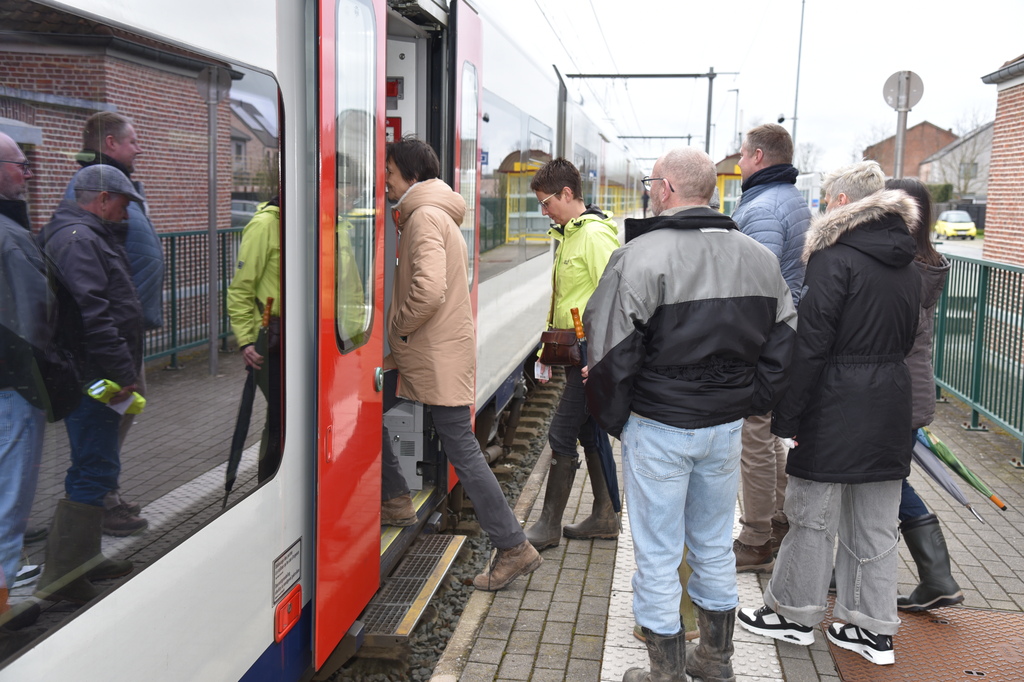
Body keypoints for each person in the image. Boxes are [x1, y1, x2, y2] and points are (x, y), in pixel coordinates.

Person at [584, 147, 797, 681]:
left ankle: (665, 673)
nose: (650, 189)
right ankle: (716, 662)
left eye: (653, 181)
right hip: (724, 428)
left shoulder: (640, 256)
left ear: (668, 189)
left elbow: (608, 352)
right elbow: (787, 338)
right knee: (710, 544)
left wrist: (618, 419)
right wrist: (749, 403)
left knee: (657, 552)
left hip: (659, 425)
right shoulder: (759, 257)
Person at [738, 161, 921, 667]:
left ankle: (794, 615)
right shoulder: (908, 262)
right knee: (877, 523)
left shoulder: (832, 259)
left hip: (835, 403)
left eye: (824, 198)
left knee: (811, 516)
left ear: (841, 203)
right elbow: (907, 340)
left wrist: (788, 418)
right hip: (889, 403)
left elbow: (811, 345)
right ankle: (873, 630)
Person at [382, 137, 541, 590]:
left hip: (432, 352)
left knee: (464, 451)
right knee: (371, 406)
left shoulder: (423, 217)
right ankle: (395, 499)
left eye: (390, 172)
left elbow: (428, 289)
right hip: (433, 351)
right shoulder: (430, 213)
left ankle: (513, 547)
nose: (385, 181)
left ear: (410, 175)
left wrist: (399, 327)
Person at [35, 164, 147, 605]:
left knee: (94, 462)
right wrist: (121, 376)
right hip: (94, 376)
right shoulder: (80, 240)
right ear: (101, 199)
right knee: (94, 465)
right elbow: (93, 315)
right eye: (122, 205)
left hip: (92, 371)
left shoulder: (83, 235)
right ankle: (62, 578)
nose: (126, 214)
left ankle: (86, 557)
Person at [66, 111, 163, 531]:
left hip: (123, 333)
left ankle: (107, 493)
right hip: (109, 340)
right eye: (133, 141)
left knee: (121, 411)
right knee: (105, 417)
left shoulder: (112, 186)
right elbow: (94, 277)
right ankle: (98, 503)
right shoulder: (93, 190)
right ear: (110, 143)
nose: (139, 148)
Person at [524, 158, 620, 551]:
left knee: (561, 432)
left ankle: (548, 526)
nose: (543, 211)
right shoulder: (570, 233)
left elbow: (613, 299)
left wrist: (597, 360)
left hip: (588, 356)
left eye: (547, 202)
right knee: (585, 430)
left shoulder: (594, 237)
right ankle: (603, 515)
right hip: (574, 350)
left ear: (567, 194)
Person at [730, 123, 812, 573]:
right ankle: (779, 519)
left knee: (753, 434)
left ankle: (757, 535)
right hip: (785, 330)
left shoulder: (762, 208)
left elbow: (756, 285)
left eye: (743, 155)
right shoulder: (791, 200)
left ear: (759, 156)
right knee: (766, 433)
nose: (739, 163)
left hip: (764, 336)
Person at [886, 177, 963, 611]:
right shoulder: (926, 261)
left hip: (896, 392)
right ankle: (936, 577)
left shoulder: (902, 268)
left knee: (888, 483)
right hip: (914, 389)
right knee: (882, 480)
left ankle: (938, 577)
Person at [0, 132, 58, 652]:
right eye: (21, 164)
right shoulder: (11, 238)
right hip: (11, 389)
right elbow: (31, 321)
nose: (28, 173)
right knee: (8, 500)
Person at [227, 196, 282, 482]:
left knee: (285, 419)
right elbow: (240, 289)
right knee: (280, 421)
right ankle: (269, 483)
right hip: (271, 342)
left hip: (304, 341)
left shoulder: (329, 225)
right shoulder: (263, 226)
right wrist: (246, 341)